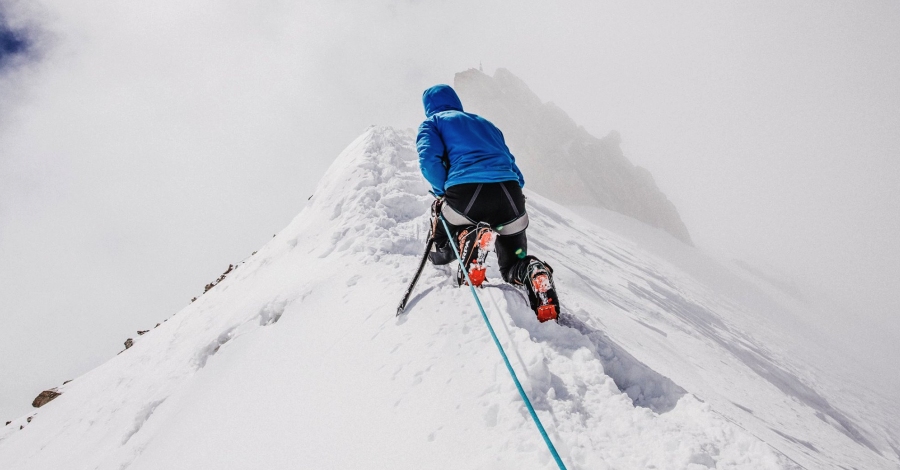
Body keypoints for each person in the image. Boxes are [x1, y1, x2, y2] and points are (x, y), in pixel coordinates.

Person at [416, 84, 560, 322]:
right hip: (511, 198)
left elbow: (429, 161)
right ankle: (534, 272)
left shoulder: (433, 123)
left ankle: (469, 241)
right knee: (513, 262)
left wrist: (443, 193)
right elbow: (515, 170)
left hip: (467, 196)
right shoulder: (486, 124)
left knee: (441, 236)